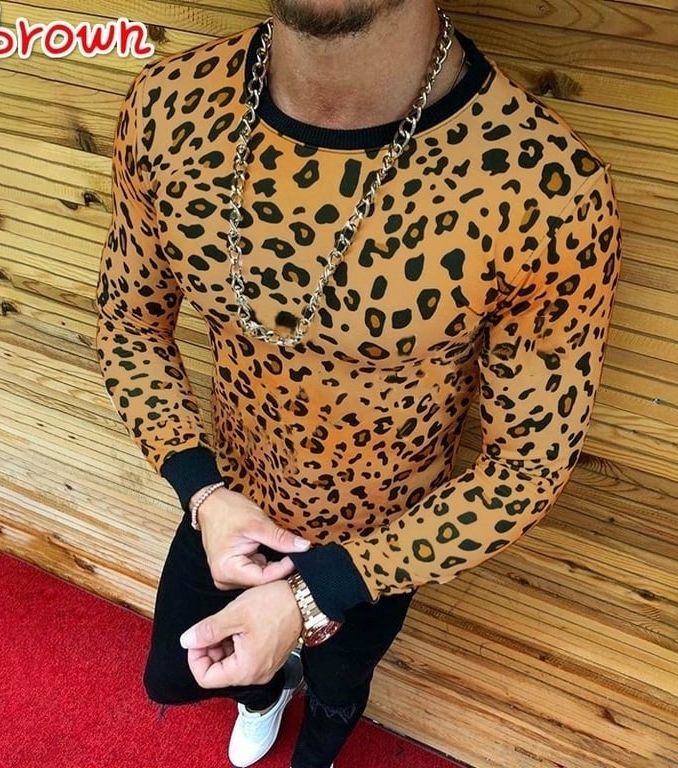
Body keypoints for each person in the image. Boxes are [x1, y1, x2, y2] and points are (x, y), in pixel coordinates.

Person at [96, 1, 621, 767]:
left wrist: (321, 591)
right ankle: (264, 696)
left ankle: (320, 744)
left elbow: (527, 465)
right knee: (178, 675)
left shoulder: (546, 187)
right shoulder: (171, 105)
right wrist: (201, 491)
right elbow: (128, 322)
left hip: (383, 541)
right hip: (230, 499)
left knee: (340, 687)